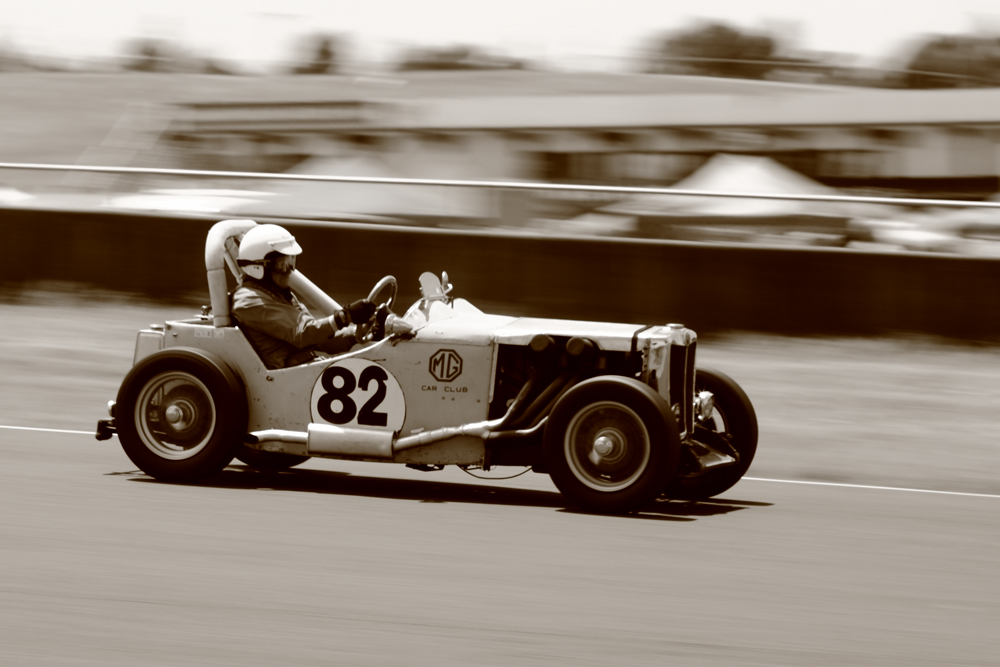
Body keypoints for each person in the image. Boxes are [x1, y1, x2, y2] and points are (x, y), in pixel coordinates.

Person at [231, 224, 377, 370]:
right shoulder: (249, 300)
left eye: (291, 262)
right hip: (285, 379)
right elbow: (303, 333)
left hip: (303, 369)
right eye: (282, 264)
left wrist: (360, 332)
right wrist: (345, 316)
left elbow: (320, 339)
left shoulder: (277, 292)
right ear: (258, 267)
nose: (289, 271)